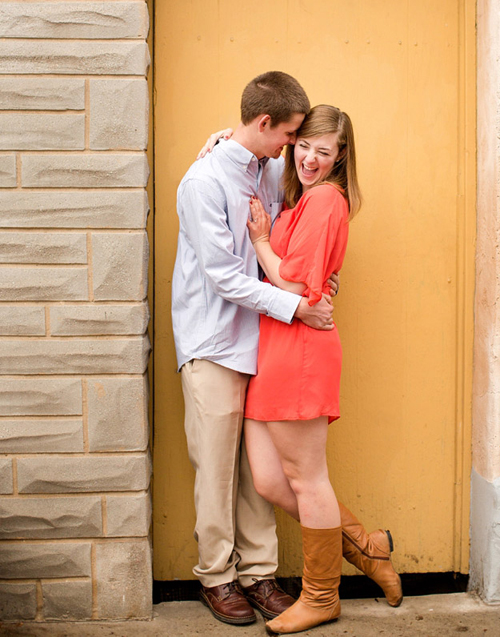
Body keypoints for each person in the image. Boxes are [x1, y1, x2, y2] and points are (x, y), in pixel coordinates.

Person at [171, 72, 338, 627]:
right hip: (215, 341)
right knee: (216, 468)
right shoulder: (203, 182)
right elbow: (223, 277)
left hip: (263, 344)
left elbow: (288, 236)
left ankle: (260, 574)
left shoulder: (267, 167)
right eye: (290, 135)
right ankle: (217, 577)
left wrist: (313, 286)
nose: (294, 148)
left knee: (257, 475)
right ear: (266, 125)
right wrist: (297, 306)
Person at [243, 104, 402, 635]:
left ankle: (321, 597)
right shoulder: (301, 197)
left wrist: (261, 242)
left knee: (307, 480)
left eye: (323, 150)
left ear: (340, 157)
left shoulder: (327, 200)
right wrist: (225, 136)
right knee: (269, 480)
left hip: (302, 349)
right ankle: (366, 548)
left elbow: (290, 284)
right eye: (304, 144)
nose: (310, 157)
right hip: (275, 345)